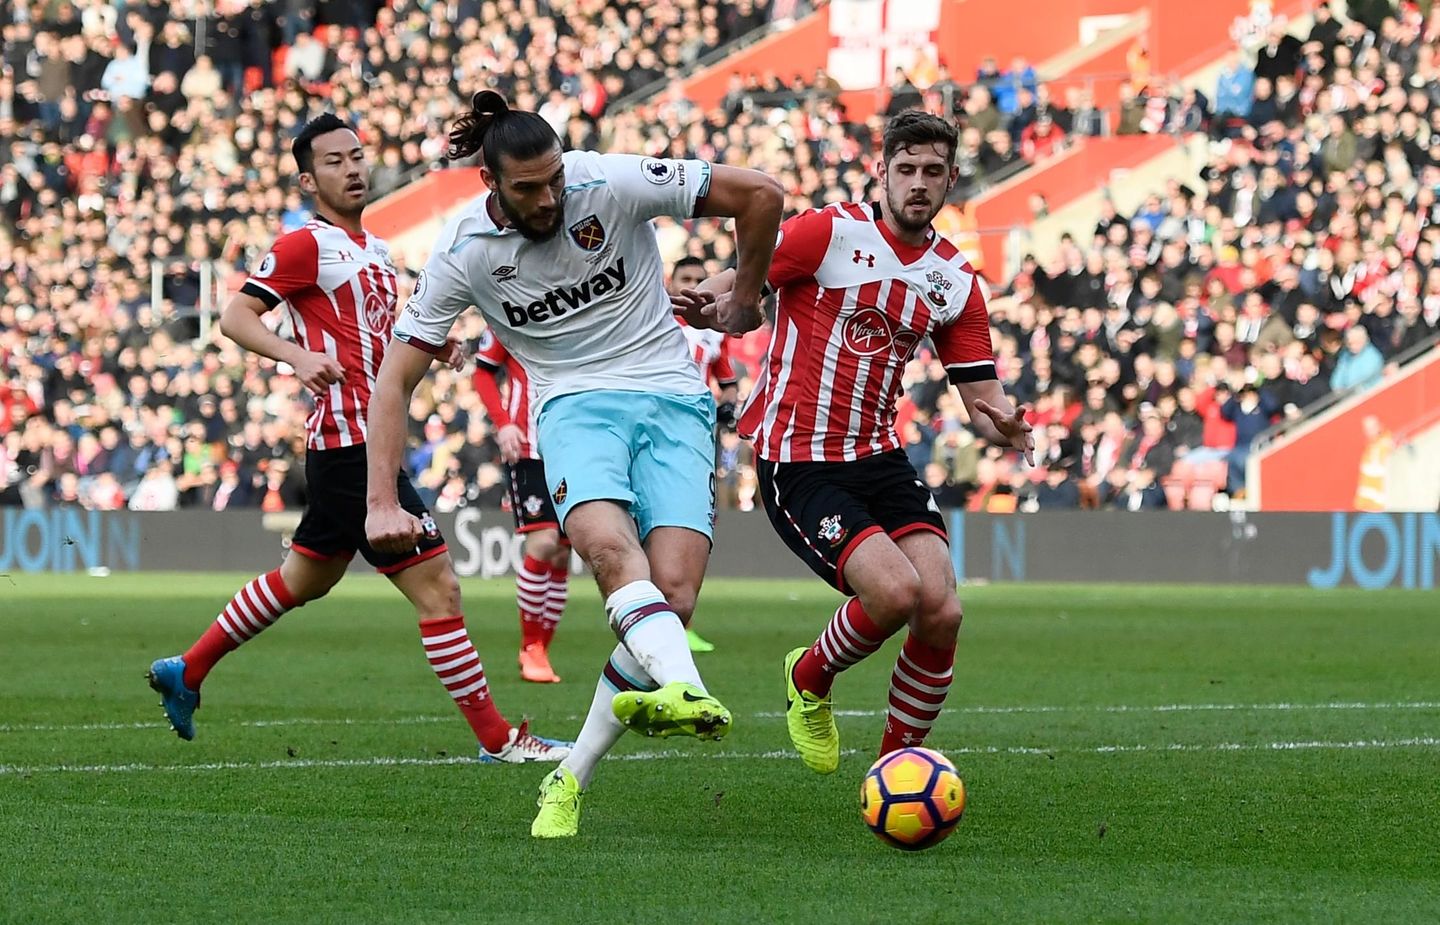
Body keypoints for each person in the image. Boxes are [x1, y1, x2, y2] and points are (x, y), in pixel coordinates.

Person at [364, 92, 784, 837]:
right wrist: (379, 500)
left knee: (674, 600)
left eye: (555, 178)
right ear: (490, 183)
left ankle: (570, 774)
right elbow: (394, 379)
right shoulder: (463, 252)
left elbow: (761, 194)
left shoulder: (610, 181)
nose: (550, 196)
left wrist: (745, 295)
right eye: (528, 187)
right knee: (606, 549)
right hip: (573, 407)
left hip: (673, 399)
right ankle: (687, 686)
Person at [145, 114, 569, 766]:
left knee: (302, 579)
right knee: (440, 591)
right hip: (350, 442)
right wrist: (293, 354)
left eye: (358, 155)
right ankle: (499, 739)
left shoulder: (373, 248)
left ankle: (187, 668)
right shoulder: (304, 245)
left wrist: (436, 339)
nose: (353, 167)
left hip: (362, 441)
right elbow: (235, 314)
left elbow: (378, 332)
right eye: (336, 160)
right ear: (310, 179)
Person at [680, 111, 1033, 774]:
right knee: (895, 593)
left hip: (877, 454)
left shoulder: (955, 280)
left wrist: (1005, 423)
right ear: (883, 171)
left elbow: (981, 394)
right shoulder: (830, 231)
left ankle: (897, 768)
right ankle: (809, 678)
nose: (919, 183)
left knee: (943, 609)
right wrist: (710, 295)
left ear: (952, 179)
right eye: (907, 169)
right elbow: (747, 270)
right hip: (798, 458)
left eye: (933, 171)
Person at [472, 328, 569, 683]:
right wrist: (504, 424)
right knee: (543, 542)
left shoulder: (583, 303)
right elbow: (483, 372)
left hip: (573, 448)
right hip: (528, 449)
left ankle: (541, 647)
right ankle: (531, 646)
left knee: (561, 553)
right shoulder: (507, 312)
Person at [667, 255, 738, 655]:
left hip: (697, 436)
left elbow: (727, 382)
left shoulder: (715, 330)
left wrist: (728, 406)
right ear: (671, 282)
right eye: (687, 278)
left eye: (701, 278)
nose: (695, 284)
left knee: (694, 527)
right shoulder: (654, 318)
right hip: (656, 431)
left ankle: (683, 620)